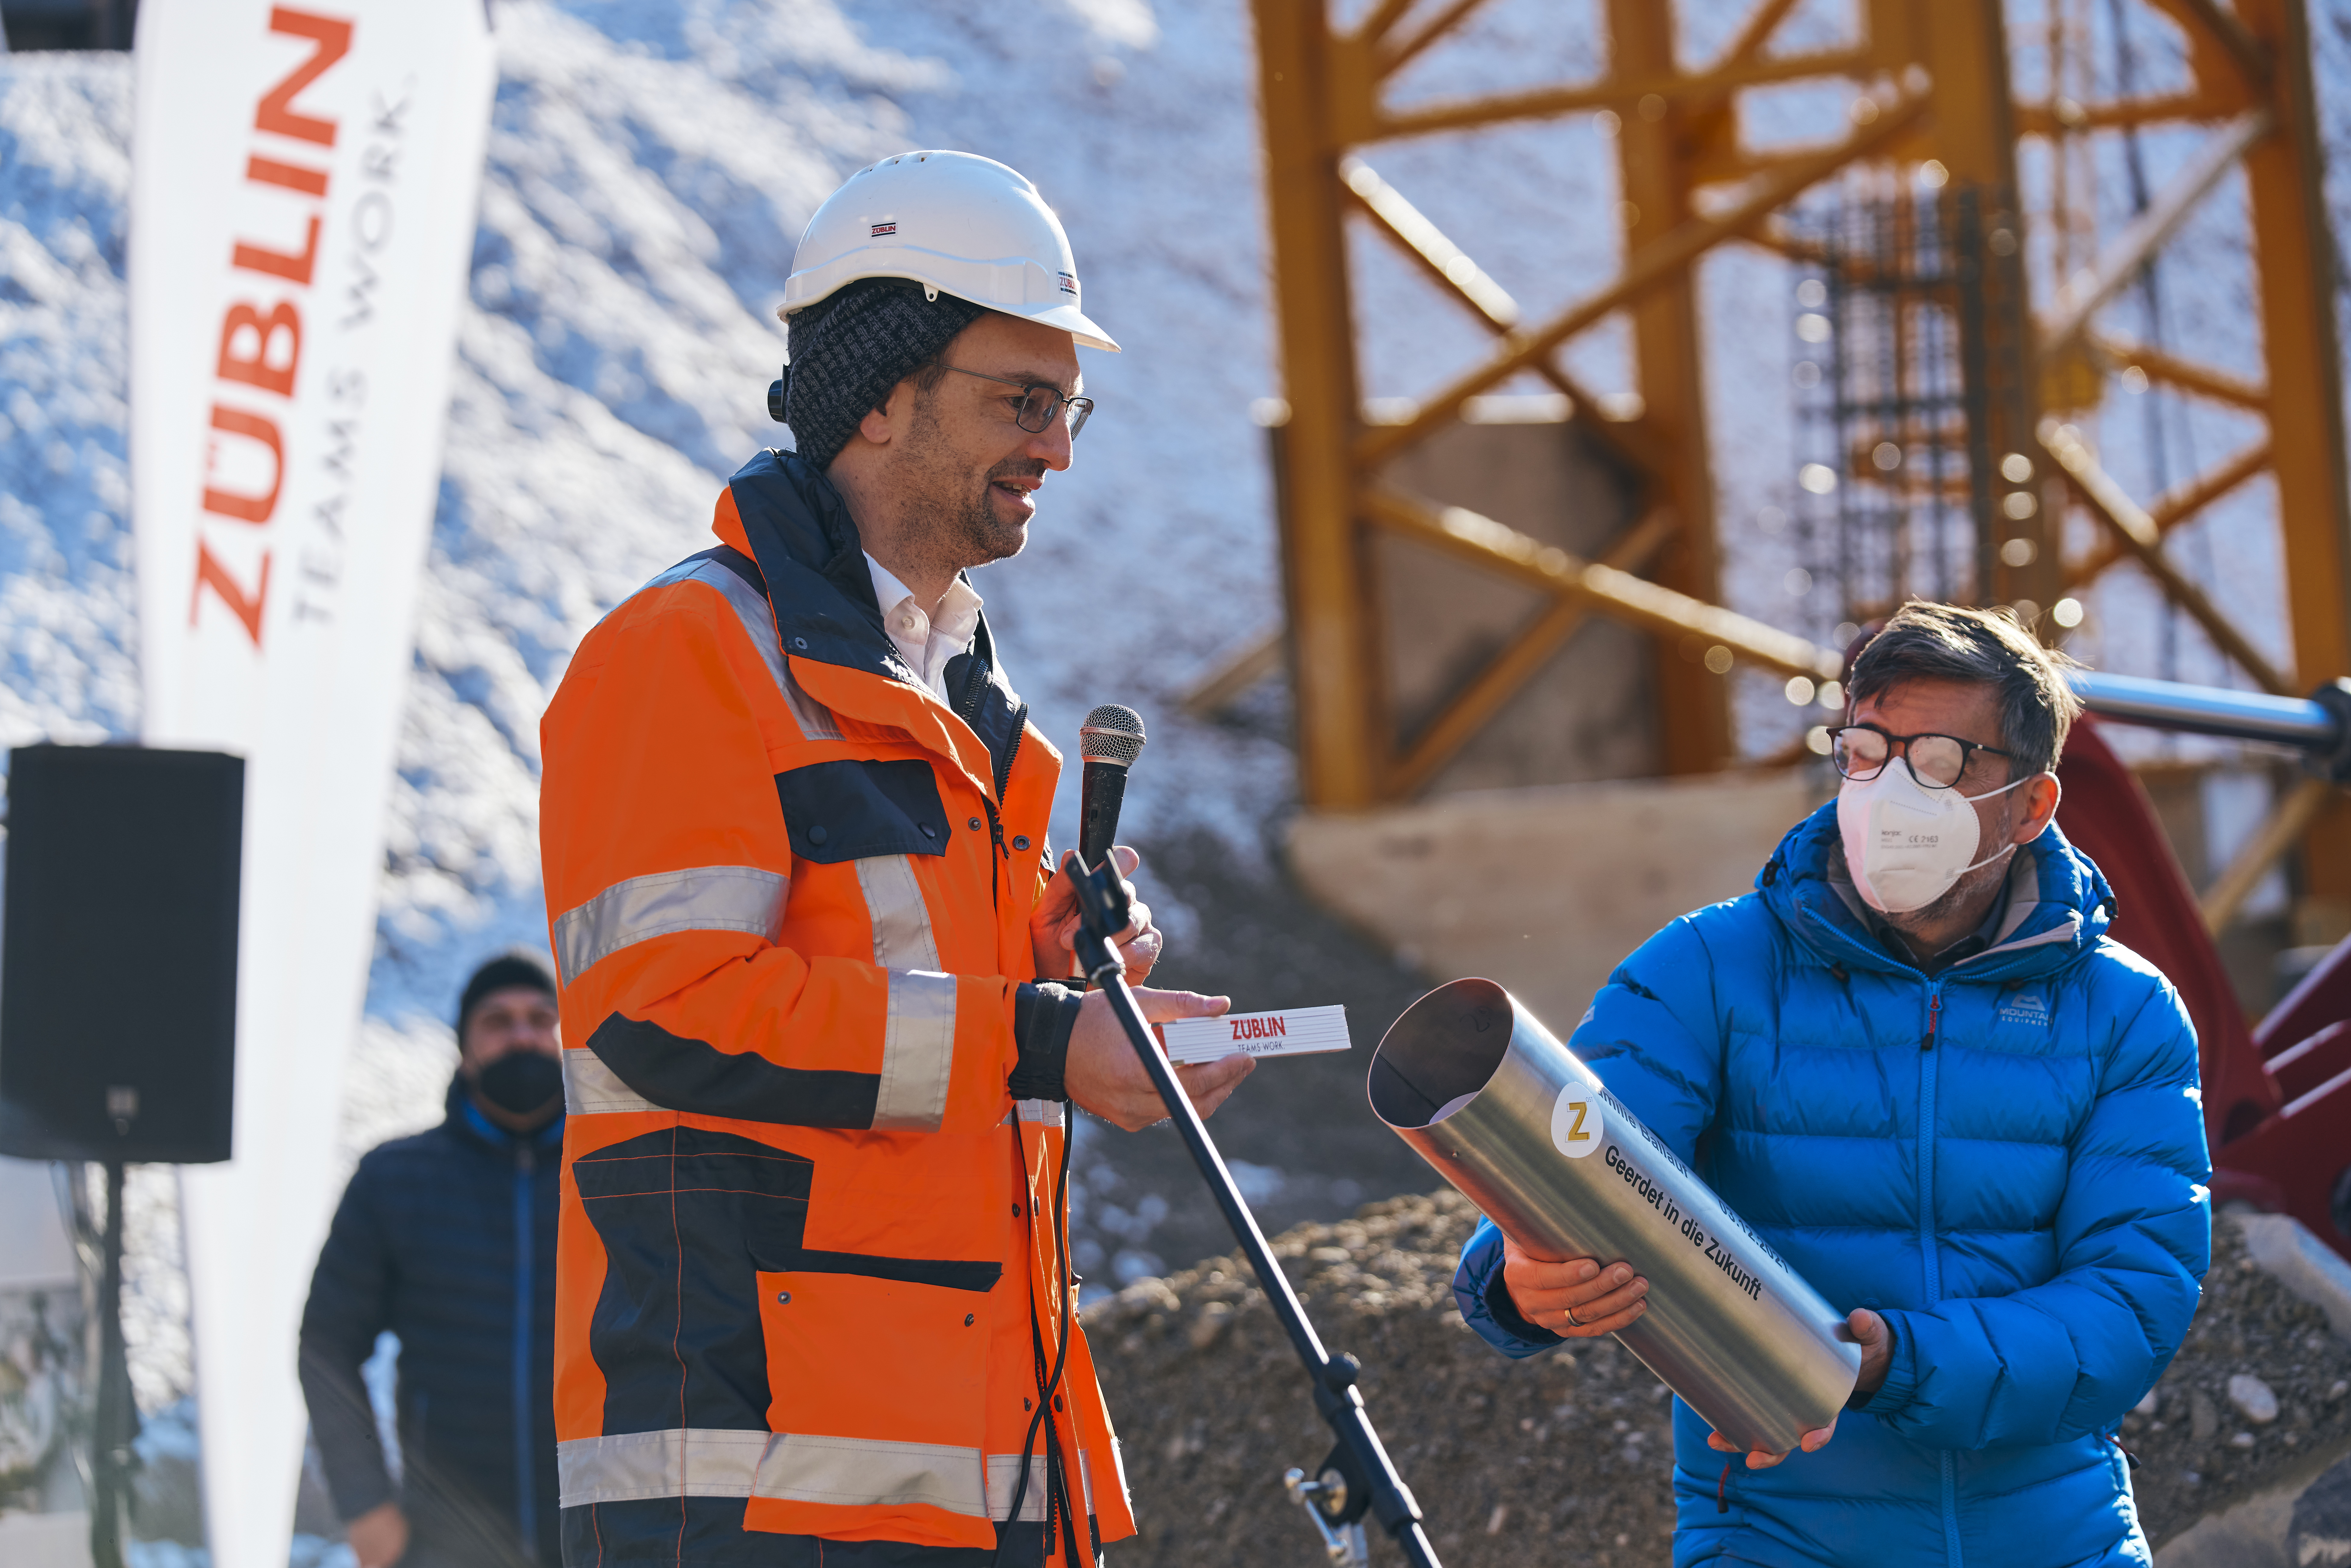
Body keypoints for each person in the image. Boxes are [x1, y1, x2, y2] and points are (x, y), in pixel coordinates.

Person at [535, 150, 1252, 1565]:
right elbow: (664, 1005)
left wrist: (1062, 973)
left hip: (972, 1464)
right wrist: (1045, 1036)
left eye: (1067, 406)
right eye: (1020, 400)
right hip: (758, 1484)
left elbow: (917, 1026)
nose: (1058, 447)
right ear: (878, 391)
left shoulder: (964, 711)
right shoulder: (684, 655)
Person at [1454, 602, 2211, 1567]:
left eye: (1939, 762)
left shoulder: (2123, 1012)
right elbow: (1589, 1148)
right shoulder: (1707, 971)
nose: (1890, 790)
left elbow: (2128, 1305)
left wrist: (1886, 1361)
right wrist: (1520, 1275)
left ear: (2030, 805)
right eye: (1864, 751)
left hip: (2056, 1540)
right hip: (1780, 1537)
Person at [299, 953, 570, 1568]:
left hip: (602, 1537)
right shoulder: (395, 1179)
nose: (522, 1034)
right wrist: (365, 1504)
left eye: (540, 1018)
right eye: (497, 1020)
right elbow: (326, 1343)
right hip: (444, 1545)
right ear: (464, 1048)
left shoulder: (616, 1179)